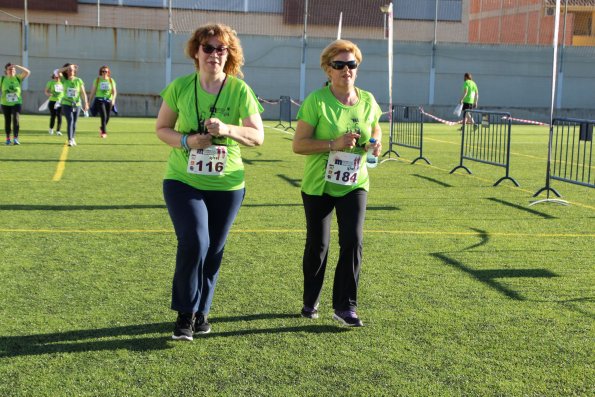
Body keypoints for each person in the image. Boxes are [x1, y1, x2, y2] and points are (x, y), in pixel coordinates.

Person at [155, 23, 264, 341]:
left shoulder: (240, 90)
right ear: (196, 51)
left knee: (214, 249)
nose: (214, 54)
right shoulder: (179, 87)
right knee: (195, 242)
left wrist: (228, 129)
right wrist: (188, 141)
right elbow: (162, 128)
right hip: (183, 179)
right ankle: (185, 315)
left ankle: (203, 309)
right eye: (208, 47)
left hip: (227, 184)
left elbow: (257, 136)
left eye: (221, 49)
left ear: (229, 55)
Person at [292, 40, 382, 327]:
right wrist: (334, 144)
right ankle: (310, 300)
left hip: (355, 182)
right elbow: (299, 145)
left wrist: (375, 145)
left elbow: (375, 129)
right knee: (318, 245)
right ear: (327, 69)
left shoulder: (368, 100)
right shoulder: (317, 101)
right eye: (339, 65)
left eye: (351, 65)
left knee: (353, 240)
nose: (346, 70)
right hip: (319, 184)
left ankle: (346, 306)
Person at [57, 63, 89, 146]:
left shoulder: (78, 80)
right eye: (69, 70)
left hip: (77, 104)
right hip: (66, 103)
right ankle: (70, 139)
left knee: (74, 122)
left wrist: (86, 103)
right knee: (70, 120)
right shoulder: (64, 80)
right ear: (67, 71)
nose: (70, 71)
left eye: (72, 70)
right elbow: (57, 71)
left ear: (75, 71)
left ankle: (73, 138)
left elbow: (83, 93)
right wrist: (68, 66)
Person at [1, 63, 30, 145]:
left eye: (13, 69)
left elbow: (27, 72)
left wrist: (17, 66)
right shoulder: (2, 79)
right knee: (7, 121)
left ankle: (16, 138)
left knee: (16, 120)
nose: (12, 70)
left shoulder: (18, 78)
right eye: (9, 69)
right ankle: (7, 138)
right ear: (6, 71)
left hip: (16, 103)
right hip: (5, 103)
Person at [89, 65, 117, 138]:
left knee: (107, 117)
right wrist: (89, 101)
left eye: (106, 71)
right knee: (103, 116)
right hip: (100, 100)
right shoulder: (97, 80)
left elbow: (114, 91)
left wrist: (113, 99)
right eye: (103, 71)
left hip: (109, 100)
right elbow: (93, 91)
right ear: (100, 72)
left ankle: (102, 127)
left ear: (108, 72)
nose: (104, 73)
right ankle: (104, 132)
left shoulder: (111, 80)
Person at [44, 72, 63, 136]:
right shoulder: (50, 83)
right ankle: (51, 129)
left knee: (59, 116)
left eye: (58, 77)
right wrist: (48, 94)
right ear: (53, 77)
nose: (57, 78)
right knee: (53, 115)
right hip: (52, 101)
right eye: (56, 77)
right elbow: (46, 91)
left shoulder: (63, 83)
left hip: (60, 101)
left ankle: (58, 131)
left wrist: (59, 72)